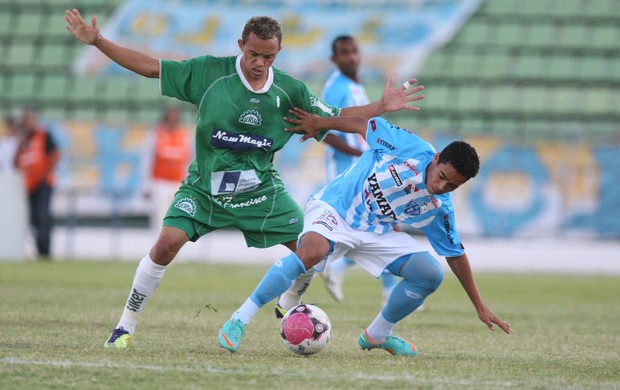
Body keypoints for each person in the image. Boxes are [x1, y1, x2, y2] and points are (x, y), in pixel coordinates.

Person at [64, 9, 425, 349]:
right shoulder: (209, 74)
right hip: (205, 188)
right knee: (164, 245)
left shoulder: (289, 92)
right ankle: (125, 324)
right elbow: (149, 68)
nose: (259, 63)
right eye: (253, 54)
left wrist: (380, 106)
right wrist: (98, 42)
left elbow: (336, 116)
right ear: (241, 46)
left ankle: (289, 301)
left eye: (268, 57)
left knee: (316, 251)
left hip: (261, 189)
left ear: (278, 53)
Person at [218, 109, 511, 356]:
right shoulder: (409, 147)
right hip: (337, 208)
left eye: (452, 186)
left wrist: (479, 306)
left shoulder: (440, 206)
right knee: (310, 253)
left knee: (430, 274)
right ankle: (239, 320)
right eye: (442, 177)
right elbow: (363, 124)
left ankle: (378, 335)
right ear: (435, 159)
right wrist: (320, 124)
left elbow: (455, 255)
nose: (442, 186)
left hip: (375, 231)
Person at [317, 35, 397, 305]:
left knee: (383, 225)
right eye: (344, 53)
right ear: (334, 59)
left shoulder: (355, 87)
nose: (351, 57)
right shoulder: (335, 87)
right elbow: (322, 130)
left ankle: (340, 269)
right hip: (345, 169)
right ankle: (331, 267)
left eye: (354, 51)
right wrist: (358, 153)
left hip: (363, 167)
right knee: (378, 226)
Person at [13, 108, 61, 259]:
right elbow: (15, 162)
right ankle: (40, 250)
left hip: (43, 183)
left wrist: (45, 175)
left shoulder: (44, 135)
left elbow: (55, 155)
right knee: (34, 218)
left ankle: (45, 251)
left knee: (42, 216)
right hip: (29, 185)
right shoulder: (23, 140)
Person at [143, 106, 192, 236]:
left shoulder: (183, 135)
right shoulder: (156, 134)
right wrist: (146, 185)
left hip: (178, 183)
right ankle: (157, 252)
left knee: (178, 220)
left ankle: (175, 253)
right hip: (160, 182)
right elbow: (147, 160)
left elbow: (188, 161)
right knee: (159, 218)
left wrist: (188, 185)